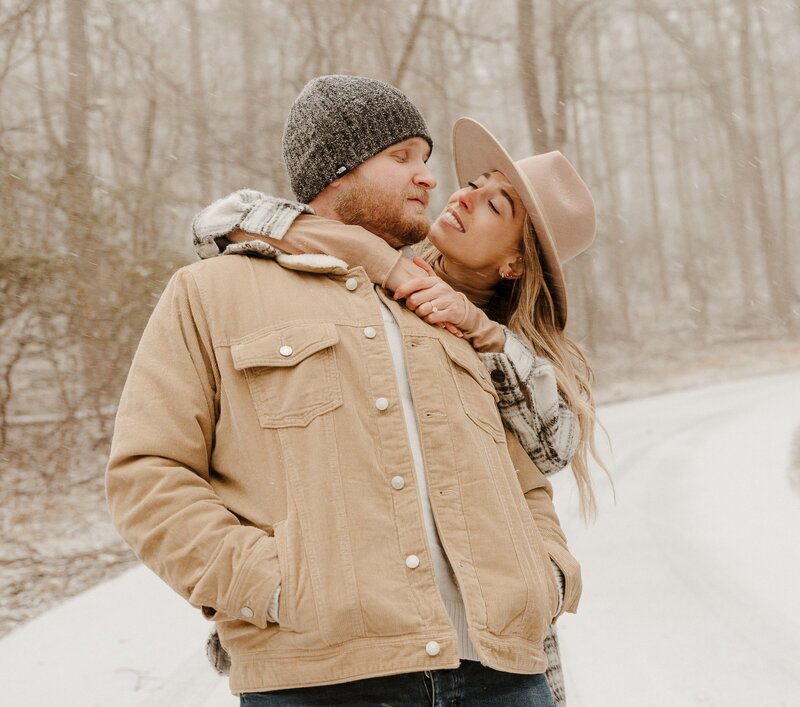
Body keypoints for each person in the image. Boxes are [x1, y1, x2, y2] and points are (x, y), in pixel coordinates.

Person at [107, 75, 580, 706]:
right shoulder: (211, 294)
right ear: (339, 170)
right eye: (403, 157)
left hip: (500, 678)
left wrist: (541, 574)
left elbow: (524, 476)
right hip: (321, 681)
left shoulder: (444, 309)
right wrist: (272, 587)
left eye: (428, 161)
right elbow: (148, 474)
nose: (431, 180)